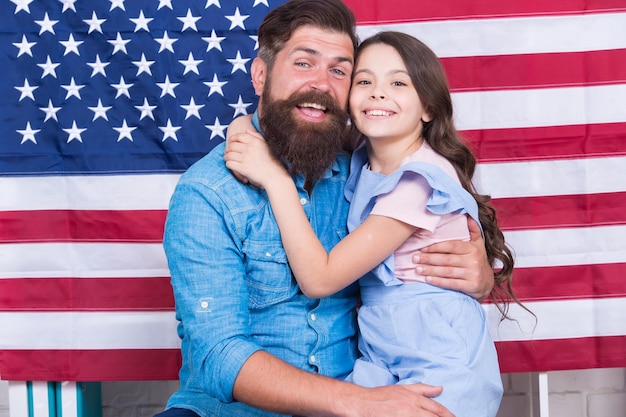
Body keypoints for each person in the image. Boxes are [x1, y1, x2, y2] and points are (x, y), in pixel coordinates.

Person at [159, 1, 494, 416]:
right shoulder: (208, 193)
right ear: (260, 75)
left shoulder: (360, 166)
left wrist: (478, 275)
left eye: (339, 70)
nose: (321, 83)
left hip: (375, 386)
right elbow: (219, 354)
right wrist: (362, 403)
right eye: (304, 63)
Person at [224, 31, 519, 417]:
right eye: (364, 81)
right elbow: (269, 121)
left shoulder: (417, 180)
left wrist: (276, 182)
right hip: (380, 353)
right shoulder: (364, 154)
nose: (378, 94)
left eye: (398, 82)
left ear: (428, 107)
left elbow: (320, 280)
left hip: (439, 354)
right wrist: (238, 128)